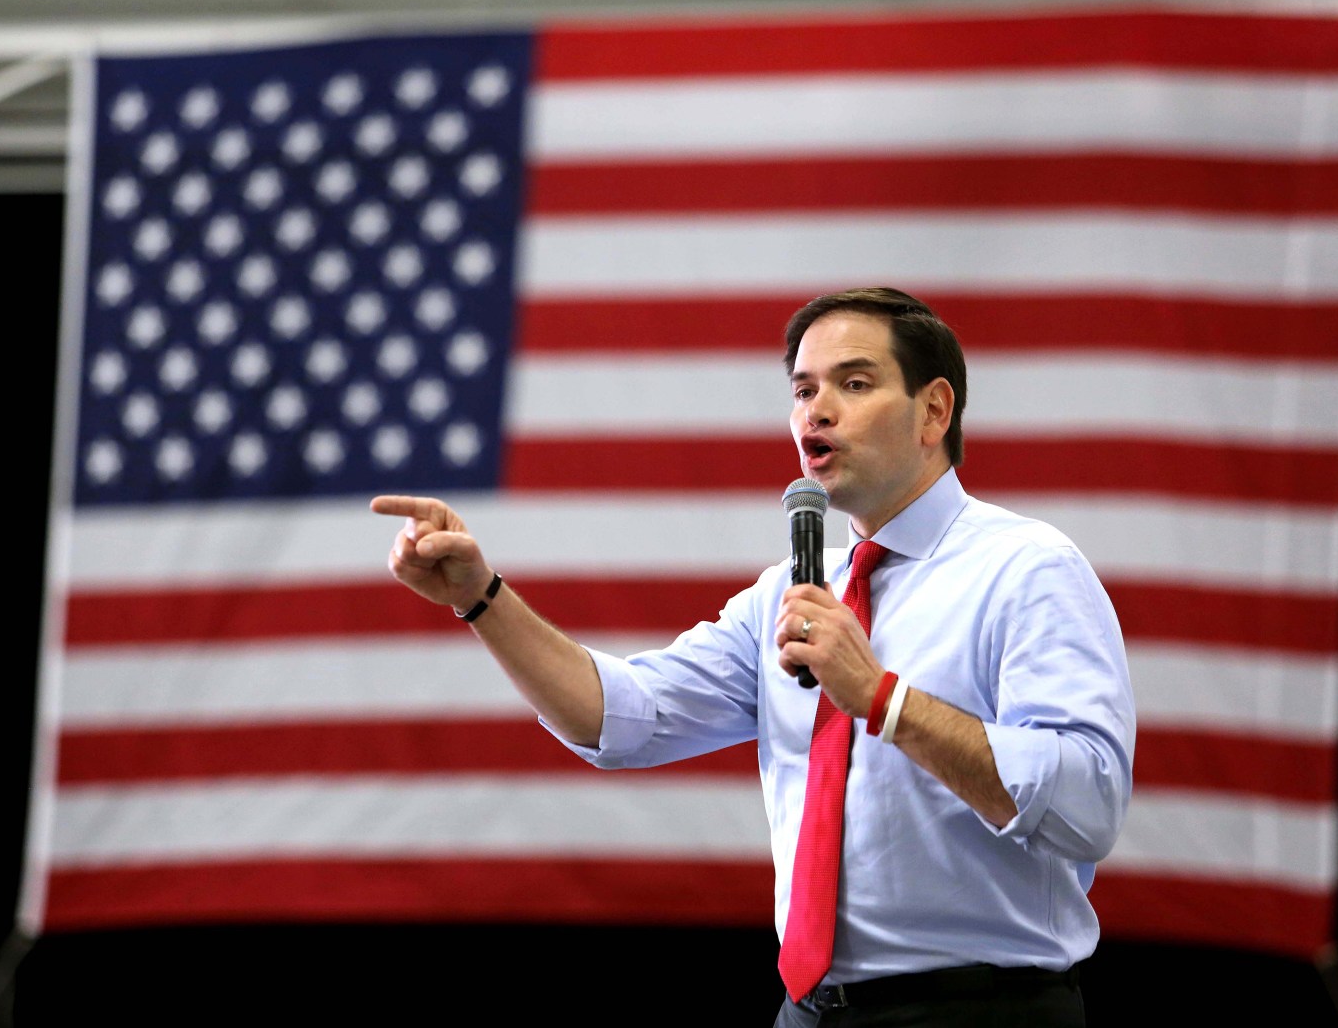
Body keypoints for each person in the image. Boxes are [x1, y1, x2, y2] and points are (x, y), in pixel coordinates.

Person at [371, 286, 1135, 1026]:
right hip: (809, 1011)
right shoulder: (790, 595)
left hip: (980, 1009)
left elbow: (1087, 807)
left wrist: (882, 698)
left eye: (854, 382)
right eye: (802, 390)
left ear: (934, 409)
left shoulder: (1026, 569)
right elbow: (618, 718)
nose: (817, 410)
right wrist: (482, 598)